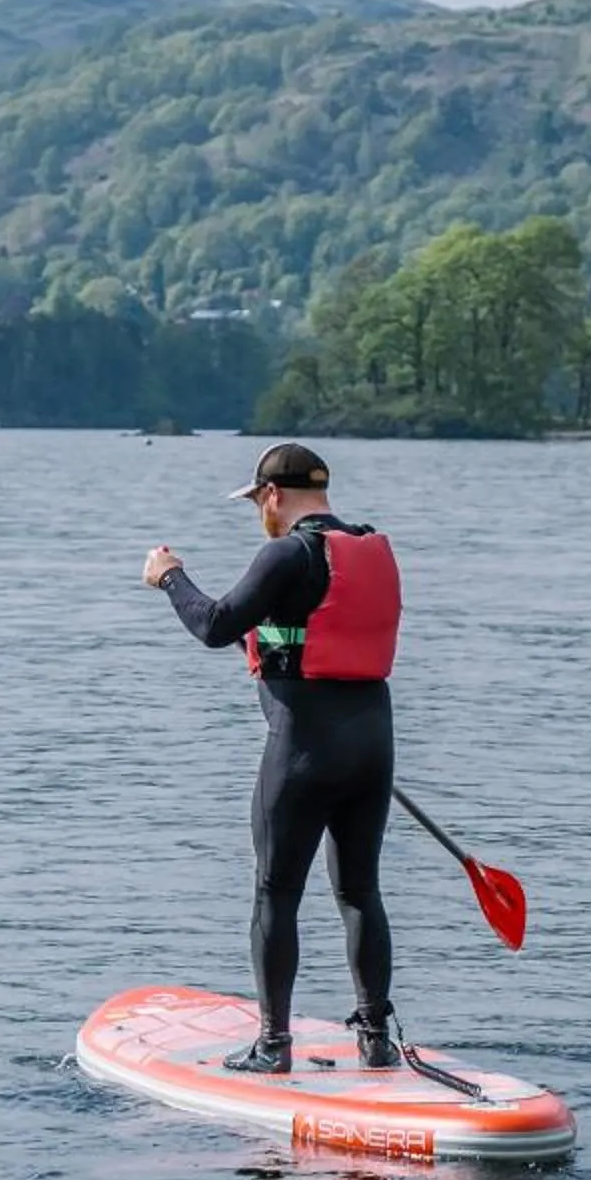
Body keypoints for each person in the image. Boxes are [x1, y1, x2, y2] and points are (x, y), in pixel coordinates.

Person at [142, 443, 404, 1075]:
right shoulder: (369, 548)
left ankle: (273, 1046)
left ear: (273, 496)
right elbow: (297, 637)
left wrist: (170, 577)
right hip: (372, 746)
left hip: (304, 750)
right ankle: (374, 1039)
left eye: (256, 501)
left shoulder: (287, 553)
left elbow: (214, 624)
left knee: (276, 893)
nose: (258, 513)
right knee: (360, 891)